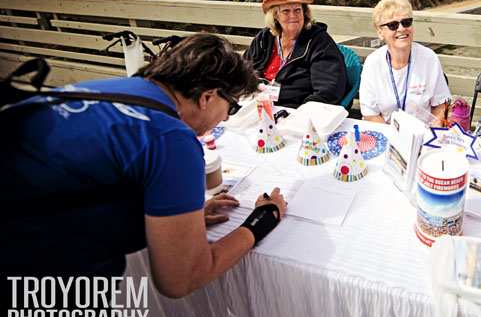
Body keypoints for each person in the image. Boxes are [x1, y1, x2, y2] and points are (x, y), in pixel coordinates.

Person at [2, 33, 287, 300]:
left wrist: (183, 220)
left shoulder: (112, 89)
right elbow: (181, 278)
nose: (225, 119)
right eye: (232, 107)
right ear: (208, 96)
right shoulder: (170, 137)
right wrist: (260, 222)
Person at [244, 0, 346, 108]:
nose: (293, 16)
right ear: (275, 15)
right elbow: (243, 70)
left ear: (304, 13)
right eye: (286, 11)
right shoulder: (264, 38)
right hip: (256, 105)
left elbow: (328, 90)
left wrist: (302, 114)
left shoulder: (319, 41)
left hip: (295, 111)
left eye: (297, 10)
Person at [360, 0, 450, 125]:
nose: (401, 28)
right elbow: (370, 114)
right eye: (393, 25)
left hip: (423, 135)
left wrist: (432, 132)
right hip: (387, 134)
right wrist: (394, 139)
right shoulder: (372, 63)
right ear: (380, 32)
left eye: (406, 22)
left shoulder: (429, 58)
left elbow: (442, 105)